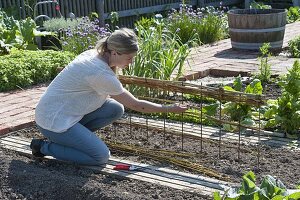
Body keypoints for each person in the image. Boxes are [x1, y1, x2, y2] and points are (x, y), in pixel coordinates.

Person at [31, 28, 188, 166]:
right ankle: (43, 147)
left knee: (114, 108)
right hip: (52, 121)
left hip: (62, 113)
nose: (131, 62)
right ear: (114, 52)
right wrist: (168, 108)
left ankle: (71, 142)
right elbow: (136, 105)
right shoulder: (99, 73)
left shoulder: (97, 54)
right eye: (129, 58)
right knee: (100, 156)